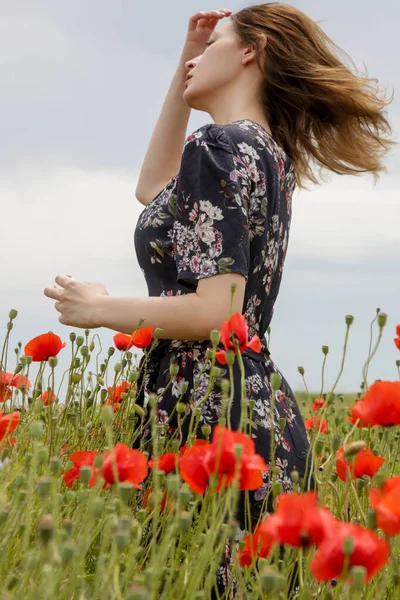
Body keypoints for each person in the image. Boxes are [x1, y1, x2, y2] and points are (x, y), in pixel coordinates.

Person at [133, 4, 395, 597]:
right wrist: (187, 55)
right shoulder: (263, 152)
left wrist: (97, 309)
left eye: (214, 43)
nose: (195, 60)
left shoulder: (220, 147)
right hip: (251, 405)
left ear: (252, 50)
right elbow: (153, 191)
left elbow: (214, 313)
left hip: (208, 410)